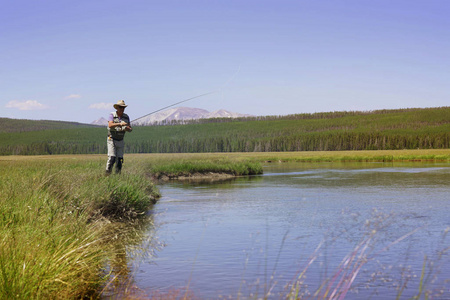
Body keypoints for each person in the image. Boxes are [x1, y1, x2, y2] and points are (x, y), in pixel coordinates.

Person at [106, 100, 132, 174]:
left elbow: (130, 128)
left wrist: (128, 129)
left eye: (123, 107)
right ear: (117, 107)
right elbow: (110, 125)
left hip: (120, 140)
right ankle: (107, 175)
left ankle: (118, 176)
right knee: (112, 158)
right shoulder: (112, 115)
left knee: (120, 159)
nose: (122, 109)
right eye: (120, 107)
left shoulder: (126, 117)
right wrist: (120, 124)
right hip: (111, 139)